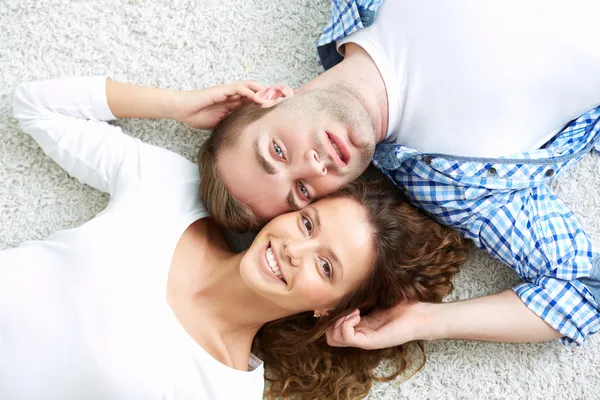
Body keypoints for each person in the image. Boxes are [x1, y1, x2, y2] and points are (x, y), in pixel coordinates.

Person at [1, 76, 469, 399]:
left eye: (326, 267)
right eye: (308, 224)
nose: (293, 250)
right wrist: (176, 106)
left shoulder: (222, 389)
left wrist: (425, 322)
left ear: (330, 308)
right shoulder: (170, 190)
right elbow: (35, 105)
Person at [196, 1, 600, 348]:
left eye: (277, 151)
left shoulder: (357, 11)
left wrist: (172, 105)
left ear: (271, 98)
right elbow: (584, 291)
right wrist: (427, 321)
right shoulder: (457, 188)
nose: (314, 166)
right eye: (302, 190)